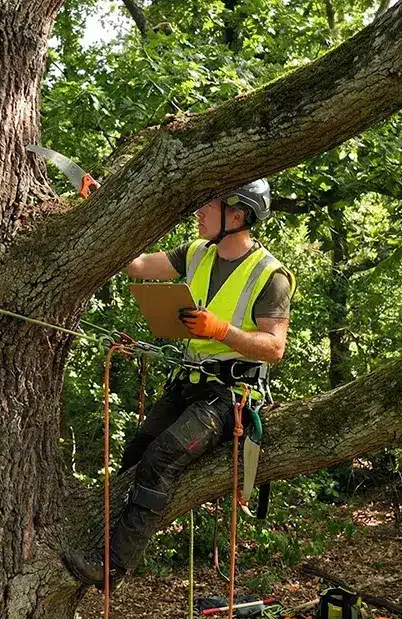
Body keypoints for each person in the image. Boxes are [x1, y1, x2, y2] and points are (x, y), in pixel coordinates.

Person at [62, 178, 294, 589]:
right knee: (137, 452)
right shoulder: (196, 253)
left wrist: (221, 330)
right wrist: (106, 211)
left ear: (236, 215)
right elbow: (136, 265)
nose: (199, 212)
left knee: (162, 457)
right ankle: (101, 542)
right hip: (189, 384)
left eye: (209, 205)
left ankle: (113, 567)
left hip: (231, 396)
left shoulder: (269, 274)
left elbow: (274, 348)